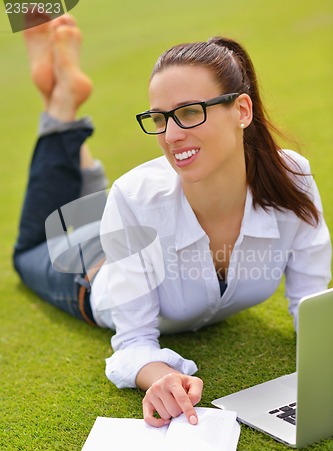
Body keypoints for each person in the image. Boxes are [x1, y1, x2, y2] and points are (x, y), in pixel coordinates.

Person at [14, 14, 331, 428]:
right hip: (94, 272)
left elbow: (311, 307)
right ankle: (59, 107)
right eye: (161, 118)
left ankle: (69, 114)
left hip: (129, 226)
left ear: (242, 110)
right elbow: (133, 342)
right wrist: (159, 376)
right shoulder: (135, 197)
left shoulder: (292, 178)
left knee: (104, 206)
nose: (171, 134)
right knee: (30, 252)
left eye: (189, 112)